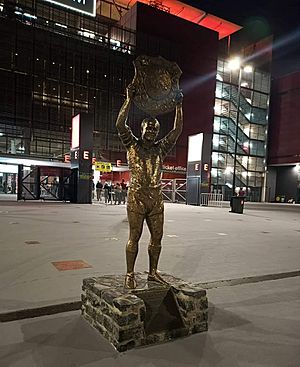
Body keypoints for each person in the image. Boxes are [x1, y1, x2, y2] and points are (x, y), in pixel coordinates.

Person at [116, 84, 183, 289]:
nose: (152, 130)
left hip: (156, 198)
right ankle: (130, 273)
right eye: (149, 127)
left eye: (155, 128)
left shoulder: (160, 149)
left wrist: (179, 106)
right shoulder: (132, 144)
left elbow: (177, 130)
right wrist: (128, 99)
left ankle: (153, 272)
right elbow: (120, 125)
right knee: (134, 236)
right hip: (136, 196)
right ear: (141, 129)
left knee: (157, 237)